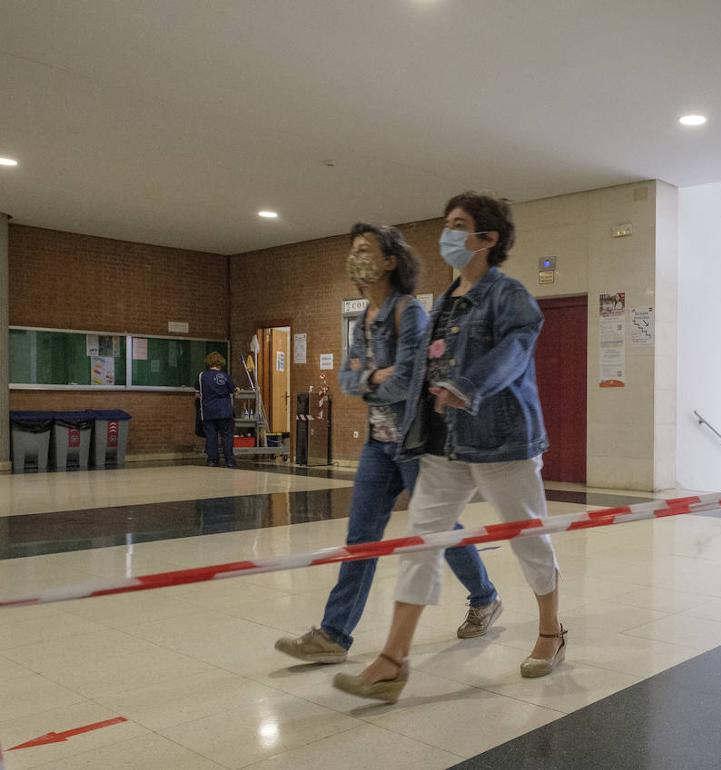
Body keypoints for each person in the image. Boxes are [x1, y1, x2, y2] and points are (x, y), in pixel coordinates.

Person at [334, 193, 563, 703]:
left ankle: (550, 631)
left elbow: (515, 349)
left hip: (501, 442)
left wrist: (469, 385)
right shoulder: (443, 303)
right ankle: (393, 660)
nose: (448, 235)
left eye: (459, 226)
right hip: (441, 444)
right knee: (421, 544)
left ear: (488, 239)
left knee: (529, 541)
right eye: (447, 225)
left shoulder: (510, 296)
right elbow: (422, 369)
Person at [275, 222, 502, 665]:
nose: (355, 256)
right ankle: (334, 635)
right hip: (378, 447)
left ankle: (485, 597)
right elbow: (346, 379)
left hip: (414, 445)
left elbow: (404, 383)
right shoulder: (363, 321)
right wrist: (368, 377)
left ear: (389, 261)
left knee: (439, 530)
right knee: (361, 538)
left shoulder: (409, 314)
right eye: (353, 248)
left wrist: (369, 378)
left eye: (364, 249)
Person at [197, 352, 238, 468]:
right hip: (225, 410)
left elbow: (197, 394)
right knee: (227, 436)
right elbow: (234, 391)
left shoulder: (202, 376)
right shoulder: (225, 376)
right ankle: (229, 460)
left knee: (211, 436)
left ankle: (212, 460)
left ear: (208, 362)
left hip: (208, 411)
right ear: (221, 362)